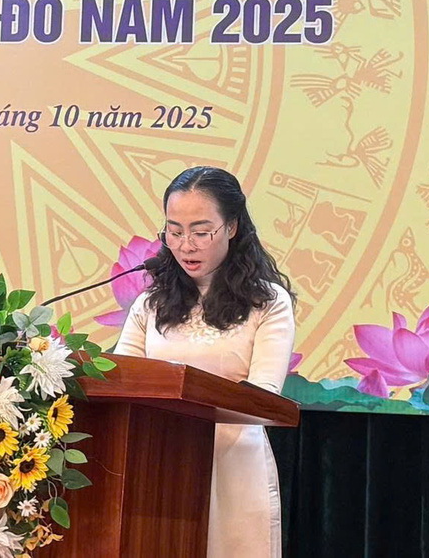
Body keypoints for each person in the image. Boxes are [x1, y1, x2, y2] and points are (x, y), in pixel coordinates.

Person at [114, 166, 297, 558]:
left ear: (231, 227)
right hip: (157, 461)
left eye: (201, 232)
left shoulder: (267, 303)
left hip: (233, 464)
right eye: (174, 231)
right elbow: (121, 381)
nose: (186, 246)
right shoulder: (150, 304)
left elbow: (264, 396)